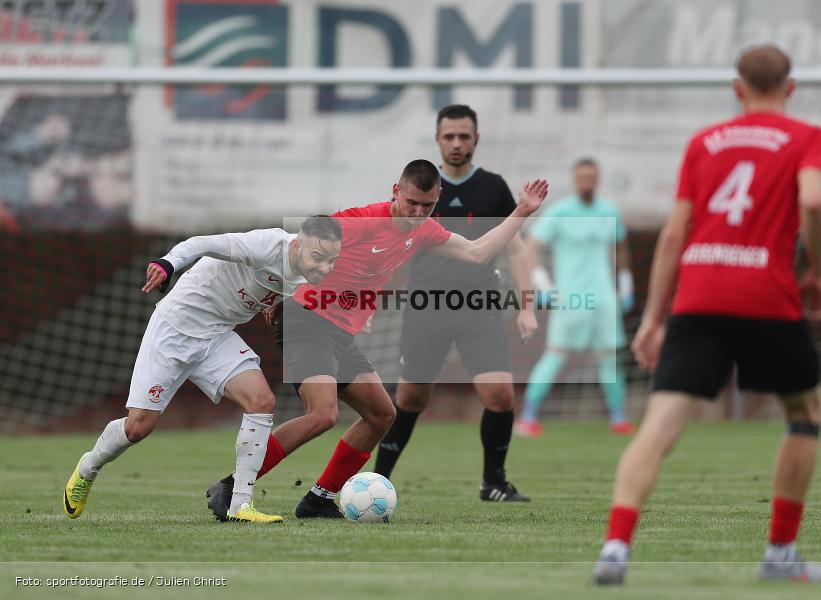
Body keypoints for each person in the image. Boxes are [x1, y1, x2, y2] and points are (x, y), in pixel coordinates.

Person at [593, 44, 821, 585]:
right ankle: (780, 553)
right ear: (790, 89)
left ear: (737, 88)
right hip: (766, 296)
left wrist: (654, 317)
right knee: (805, 412)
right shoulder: (808, 138)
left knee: (659, 425)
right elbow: (814, 202)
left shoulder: (703, 142)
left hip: (699, 294)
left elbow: (675, 233)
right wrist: (819, 269)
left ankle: (615, 548)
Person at [206, 159, 549, 519]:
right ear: (396, 191)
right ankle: (233, 485)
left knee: (382, 414)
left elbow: (477, 252)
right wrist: (276, 293)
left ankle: (319, 499)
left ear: (438, 198)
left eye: (427, 206)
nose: (417, 213)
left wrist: (522, 211)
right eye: (411, 203)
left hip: (339, 333)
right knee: (323, 414)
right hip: (306, 321)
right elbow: (297, 244)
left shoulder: (424, 230)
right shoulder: (362, 220)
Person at [64, 216, 343, 523]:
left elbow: (287, 284)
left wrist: (278, 302)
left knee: (261, 401)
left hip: (216, 336)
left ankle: (240, 505)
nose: (324, 267)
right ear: (296, 245)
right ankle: (88, 467)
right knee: (138, 427)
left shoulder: (310, 271)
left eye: (331, 260)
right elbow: (202, 244)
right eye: (318, 257)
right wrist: (168, 263)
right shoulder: (266, 245)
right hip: (174, 328)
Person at [372, 105, 537, 502]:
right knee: (411, 399)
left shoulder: (493, 188)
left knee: (500, 394)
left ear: (476, 139)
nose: (457, 143)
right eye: (450, 136)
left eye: (464, 136)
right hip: (427, 307)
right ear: (437, 139)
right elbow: (390, 246)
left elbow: (514, 249)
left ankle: (493, 482)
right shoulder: (419, 191)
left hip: (480, 307)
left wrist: (527, 306)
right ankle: (377, 481)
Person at [515, 158, 635, 437]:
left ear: (598, 179)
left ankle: (619, 419)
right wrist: (543, 283)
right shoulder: (561, 212)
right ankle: (528, 417)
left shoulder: (609, 210)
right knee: (557, 355)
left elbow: (622, 246)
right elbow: (531, 246)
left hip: (604, 297)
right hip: (570, 299)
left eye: (591, 177)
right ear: (574, 180)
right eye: (582, 177)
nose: (587, 182)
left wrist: (625, 284)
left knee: (609, 358)